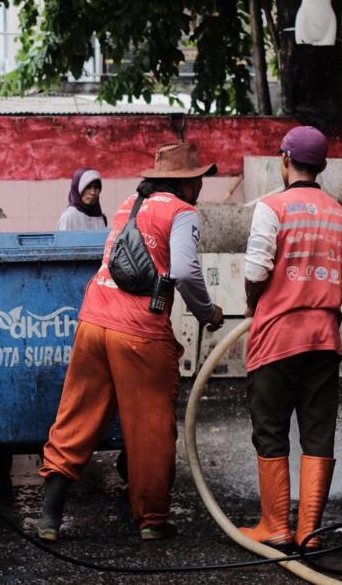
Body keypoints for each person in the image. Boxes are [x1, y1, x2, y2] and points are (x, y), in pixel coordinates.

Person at [37, 142, 225, 542]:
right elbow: (187, 272)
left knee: (76, 417)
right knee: (151, 427)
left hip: (93, 321)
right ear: (187, 182)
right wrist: (208, 313)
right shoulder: (183, 211)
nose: (200, 189)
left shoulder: (129, 204)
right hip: (139, 332)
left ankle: (49, 518)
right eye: (198, 181)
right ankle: (152, 521)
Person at [240, 126, 342, 549]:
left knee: (270, 429)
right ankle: (309, 530)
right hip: (324, 339)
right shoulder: (340, 215)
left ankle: (275, 525)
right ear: (321, 166)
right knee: (318, 432)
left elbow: (255, 271)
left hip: (277, 336)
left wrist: (254, 303)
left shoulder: (272, 207)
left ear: (285, 161)